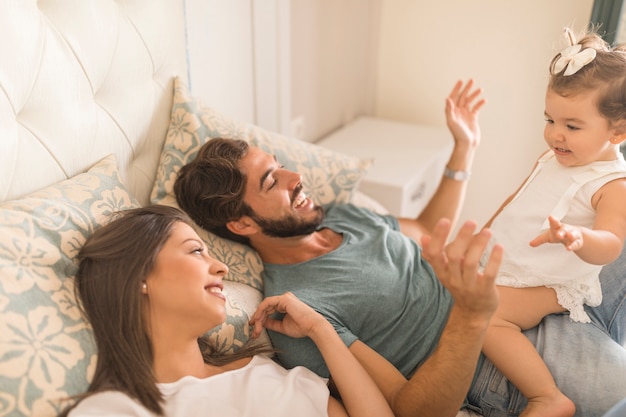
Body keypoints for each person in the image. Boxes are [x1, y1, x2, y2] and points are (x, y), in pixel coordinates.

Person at [174, 75, 626, 417]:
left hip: (522, 297)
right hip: (494, 364)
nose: (296, 178)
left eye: (282, 166)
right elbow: (407, 408)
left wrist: (463, 149)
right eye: (272, 181)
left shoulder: (339, 214)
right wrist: (470, 316)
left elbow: (427, 229)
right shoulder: (300, 310)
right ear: (242, 221)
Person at [60, 205, 394, 417]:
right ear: (139, 276)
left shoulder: (265, 371)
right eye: (195, 252)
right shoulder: (113, 410)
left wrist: (322, 331)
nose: (221, 267)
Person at [480, 28, 626, 417]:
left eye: (572, 126)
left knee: (486, 317)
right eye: (550, 119)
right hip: (519, 261)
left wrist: (578, 236)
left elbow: (612, 242)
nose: (554, 135)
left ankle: (546, 396)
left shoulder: (611, 183)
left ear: (618, 131)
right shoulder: (556, 156)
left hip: (554, 283)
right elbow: (518, 198)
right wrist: (485, 233)